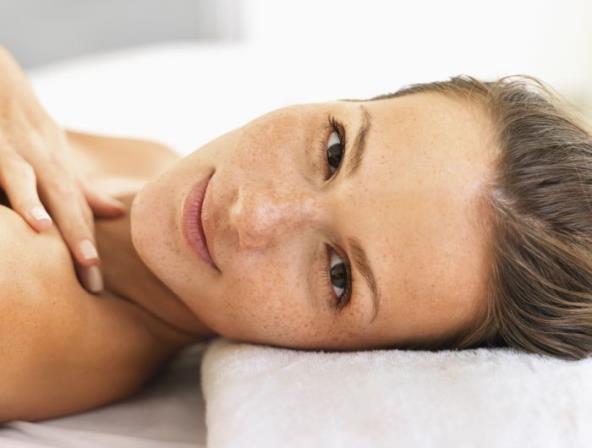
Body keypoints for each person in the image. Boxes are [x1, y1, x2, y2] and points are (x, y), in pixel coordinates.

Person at [1, 46, 591, 423]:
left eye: (338, 276)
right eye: (334, 149)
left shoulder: (20, 301)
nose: (252, 213)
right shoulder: (152, 164)